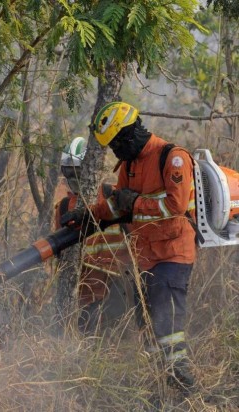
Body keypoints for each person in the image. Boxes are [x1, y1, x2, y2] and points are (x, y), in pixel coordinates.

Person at [60, 102, 197, 393]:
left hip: (173, 251)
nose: (116, 152)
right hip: (145, 254)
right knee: (146, 316)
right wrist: (89, 215)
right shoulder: (130, 164)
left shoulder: (173, 159)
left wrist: (133, 203)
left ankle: (183, 378)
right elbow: (115, 203)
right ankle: (160, 380)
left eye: (117, 144)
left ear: (131, 133)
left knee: (165, 308)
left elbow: (175, 206)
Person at [55, 137, 130, 334]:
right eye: (68, 172)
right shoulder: (64, 208)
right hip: (83, 296)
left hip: (118, 289)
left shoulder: (113, 197)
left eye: (78, 172)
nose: (73, 179)